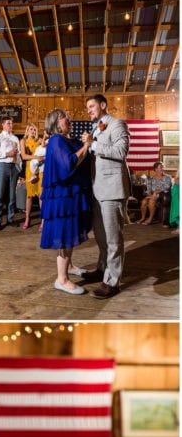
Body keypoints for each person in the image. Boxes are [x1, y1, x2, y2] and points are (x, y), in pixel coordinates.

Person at [82, 94, 130, 299]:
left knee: (113, 239)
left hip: (112, 190)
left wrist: (93, 144)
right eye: (87, 107)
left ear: (103, 105)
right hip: (97, 189)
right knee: (101, 236)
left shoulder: (117, 123)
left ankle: (112, 281)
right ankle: (102, 268)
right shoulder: (96, 127)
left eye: (91, 106)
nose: (89, 110)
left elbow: (121, 151)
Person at [40, 110, 92, 296]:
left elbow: (82, 149)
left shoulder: (67, 139)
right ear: (55, 122)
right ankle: (61, 280)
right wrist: (86, 145)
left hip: (70, 194)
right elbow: (69, 163)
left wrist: (87, 141)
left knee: (69, 232)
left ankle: (68, 266)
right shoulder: (56, 140)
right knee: (64, 234)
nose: (69, 119)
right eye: (64, 117)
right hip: (62, 197)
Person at [0, 117, 21, 230]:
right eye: (8, 123)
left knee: (12, 195)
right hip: (2, 166)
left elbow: (19, 155)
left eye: (12, 123)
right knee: (0, 194)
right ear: (3, 125)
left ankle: (10, 218)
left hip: (14, 167)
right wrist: (6, 154)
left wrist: (19, 167)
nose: (11, 125)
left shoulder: (16, 138)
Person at [137, 161, 172, 225]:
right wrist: (149, 194)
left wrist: (156, 192)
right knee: (144, 201)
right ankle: (143, 218)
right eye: (161, 167)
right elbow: (148, 189)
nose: (162, 168)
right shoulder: (151, 178)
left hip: (162, 194)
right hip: (153, 194)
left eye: (162, 167)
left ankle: (150, 219)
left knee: (151, 201)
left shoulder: (167, 177)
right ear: (156, 169)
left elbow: (167, 187)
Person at [20, 123, 40, 229]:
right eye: (31, 129)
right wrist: (37, 156)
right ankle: (27, 218)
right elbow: (24, 156)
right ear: (27, 131)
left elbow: (47, 143)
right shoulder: (23, 141)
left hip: (39, 170)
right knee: (29, 196)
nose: (32, 131)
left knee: (41, 195)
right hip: (29, 170)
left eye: (34, 129)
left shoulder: (39, 141)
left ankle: (43, 220)